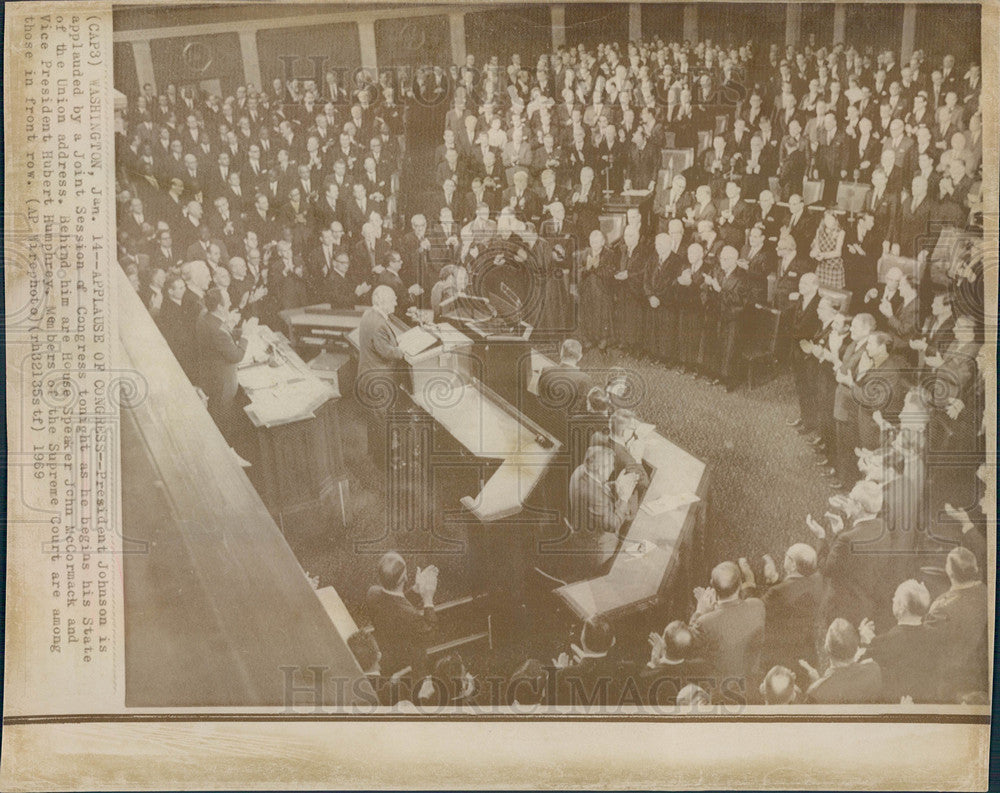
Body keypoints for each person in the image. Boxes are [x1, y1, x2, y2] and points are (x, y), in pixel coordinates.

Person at [689, 561, 766, 700]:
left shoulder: (705, 622)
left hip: (722, 690)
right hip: (752, 681)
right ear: (740, 583)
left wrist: (700, 611)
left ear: (712, 586)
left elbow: (687, 644)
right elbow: (736, 612)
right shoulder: (758, 605)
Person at [922, 546, 988, 702]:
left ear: (949, 572)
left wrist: (924, 607)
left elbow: (925, 643)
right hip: (981, 677)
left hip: (951, 684)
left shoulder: (941, 607)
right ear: (976, 568)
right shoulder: (987, 592)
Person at [859, 579, 938, 703]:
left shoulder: (887, 641)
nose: (893, 600)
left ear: (902, 607)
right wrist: (873, 640)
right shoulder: (933, 634)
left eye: (895, 597)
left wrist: (866, 641)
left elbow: (863, 666)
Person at [365, 551, 439, 680]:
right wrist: (428, 598)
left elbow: (394, 604)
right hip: (410, 672)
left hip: (388, 665)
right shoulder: (410, 616)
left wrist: (416, 589)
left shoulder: (373, 593)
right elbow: (430, 633)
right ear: (405, 577)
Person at [194, 287, 250, 442]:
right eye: (228, 300)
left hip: (210, 375)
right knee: (224, 419)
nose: (231, 302)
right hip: (223, 382)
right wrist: (245, 335)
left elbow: (223, 337)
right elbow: (236, 356)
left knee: (220, 415)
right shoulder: (217, 329)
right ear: (219, 306)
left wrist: (237, 331)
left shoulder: (205, 315)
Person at [759, 544, 824, 670]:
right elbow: (791, 593)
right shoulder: (817, 581)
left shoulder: (777, 592)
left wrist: (748, 582)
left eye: (787, 556)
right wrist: (775, 579)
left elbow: (756, 609)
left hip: (781, 658)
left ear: (793, 565)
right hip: (807, 656)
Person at [802, 618, 884, 704]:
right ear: (856, 648)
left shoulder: (815, 692)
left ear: (827, 649)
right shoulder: (874, 670)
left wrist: (817, 683)